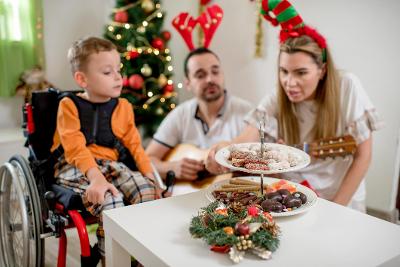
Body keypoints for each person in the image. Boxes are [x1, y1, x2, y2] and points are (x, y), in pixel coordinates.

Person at [206, 1, 384, 213]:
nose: (289, 83)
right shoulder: (277, 98)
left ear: (322, 70)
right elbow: (244, 141)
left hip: (342, 198)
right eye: (284, 71)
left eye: (301, 73)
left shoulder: (347, 86)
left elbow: (363, 155)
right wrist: (221, 150)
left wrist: (336, 209)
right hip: (294, 197)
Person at [51, 36, 159, 262]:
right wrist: (96, 179)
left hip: (111, 164)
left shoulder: (124, 107)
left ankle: (142, 260)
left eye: (118, 70)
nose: (118, 77)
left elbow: (135, 145)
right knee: (109, 198)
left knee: (148, 193)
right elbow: (75, 149)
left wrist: (150, 176)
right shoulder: (68, 105)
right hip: (75, 166)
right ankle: (110, 258)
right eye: (107, 72)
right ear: (82, 79)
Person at [146, 47, 252, 181]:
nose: (210, 79)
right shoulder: (180, 115)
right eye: (200, 75)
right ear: (188, 83)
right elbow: (147, 160)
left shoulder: (247, 113)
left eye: (215, 71)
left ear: (222, 74)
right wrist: (172, 167)